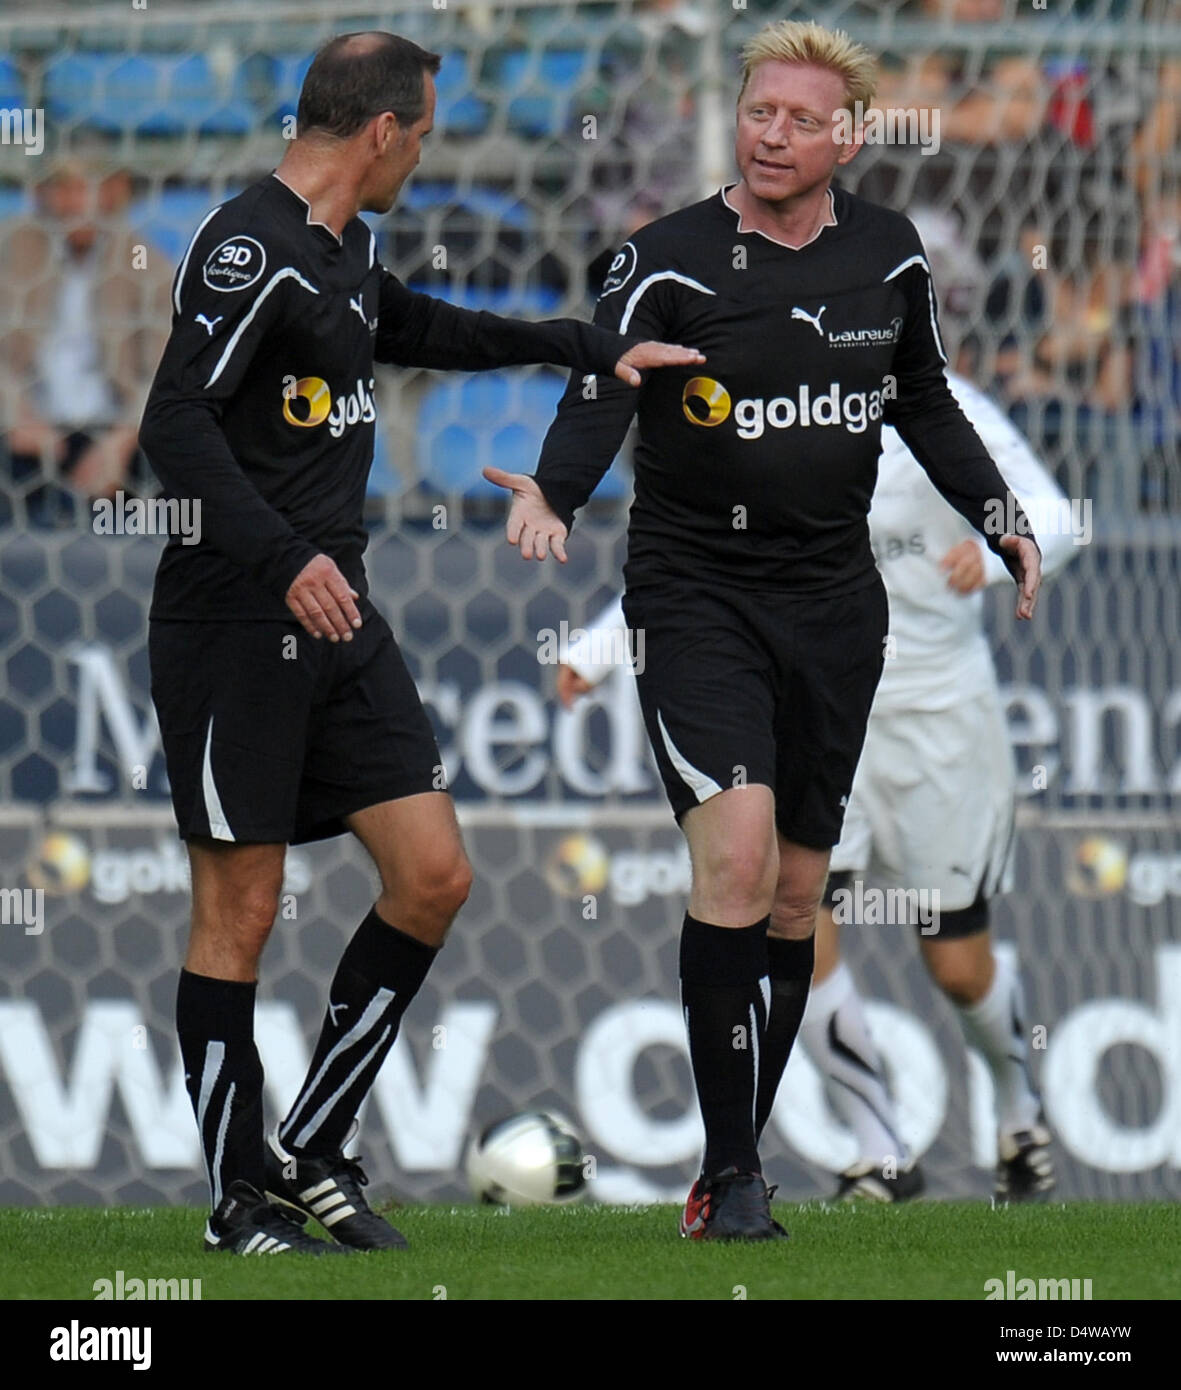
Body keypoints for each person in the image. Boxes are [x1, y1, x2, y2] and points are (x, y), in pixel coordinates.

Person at [138, 30, 703, 1257]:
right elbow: (173, 425)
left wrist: (579, 343)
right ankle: (239, 1201)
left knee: (434, 872)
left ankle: (315, 1146)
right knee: (241, 904)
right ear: (384, 130)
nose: (426, 150)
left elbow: (410, 325)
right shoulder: (249, 247)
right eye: (426, 130)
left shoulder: (345, 248)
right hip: (240, 614)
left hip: (338, 612)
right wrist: (282, 559)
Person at [486, 18, 1042, 1242]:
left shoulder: (888, 257)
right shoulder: (667, 257)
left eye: (798, 120)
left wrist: (998, 516)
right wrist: (557, 493)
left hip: (834, 608)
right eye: (757, 114)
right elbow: (602, 381)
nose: (771, 134)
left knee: (796, 898)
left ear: (845, 137)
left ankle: (726, 1159)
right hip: (697, 599)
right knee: (734, 859)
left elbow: (922, 397)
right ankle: (734, 1177)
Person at [557, 369, 1076, 1205]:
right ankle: (880, 1150)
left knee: (954, 960)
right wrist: (599, 644)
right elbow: (715, 566)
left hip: (934, 717)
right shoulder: (773, 405)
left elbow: (1054, 515)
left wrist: (988, 557)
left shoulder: (944, 406)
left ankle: (1018, 1116)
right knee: (795, 910)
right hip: (823, 698)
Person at [0, 159, 171, 526]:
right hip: (25, 428)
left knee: (173, 468)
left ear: (114, 194)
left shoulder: (143, 260)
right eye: (64, 189)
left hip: (113, 428)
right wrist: (15, 414)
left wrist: (124, 438)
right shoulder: (11, 249)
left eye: (88, 189)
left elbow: (164, 369)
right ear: (43, 193)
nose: (77, 204)